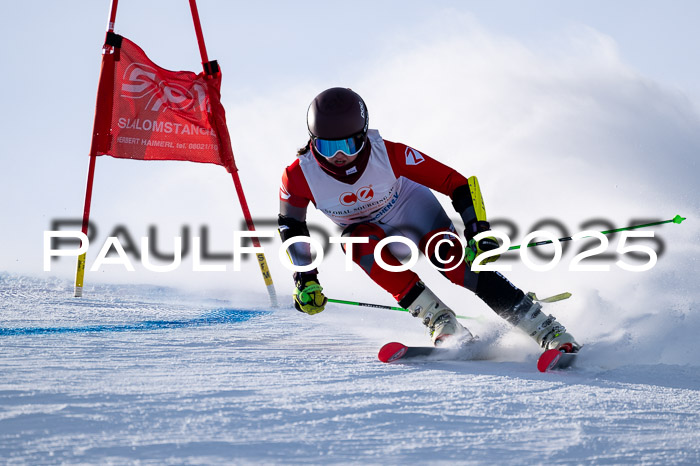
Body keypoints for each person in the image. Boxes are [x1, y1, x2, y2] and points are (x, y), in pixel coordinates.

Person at [278, 87, 580, 352]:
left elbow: (458, 184)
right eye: (327, 146)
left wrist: (478, 232)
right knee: (355, 241)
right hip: (371, 235)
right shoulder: (299, 175)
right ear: (312, 140)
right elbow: (292, 227)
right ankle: (442, 322)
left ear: (363, 136)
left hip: (413, 213)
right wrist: (306, 279)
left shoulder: (388, 154)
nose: (339, 156)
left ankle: (546, 329)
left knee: (454, 264)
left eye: (349, 144)